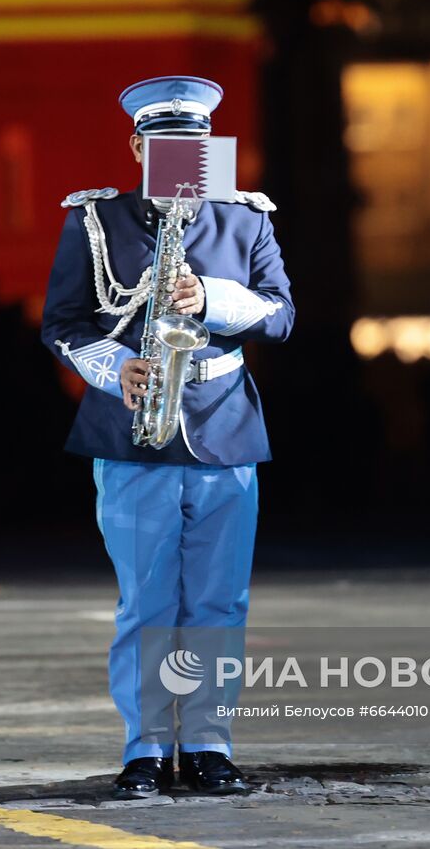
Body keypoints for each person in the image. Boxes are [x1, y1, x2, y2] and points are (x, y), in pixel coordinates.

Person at [41, 75, 293, 800]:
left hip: (223, 425)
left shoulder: (243, 220)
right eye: (165, 146)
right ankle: (146, 746)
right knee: (146, 599)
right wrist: (116, 368)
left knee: (220, 599)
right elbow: (62, 323)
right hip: (131, 428)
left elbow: (282, 316)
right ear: (138, 145)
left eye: (194, 147)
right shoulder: (98, 221)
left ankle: (211, 741)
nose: (182, 158)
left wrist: (210, 298)